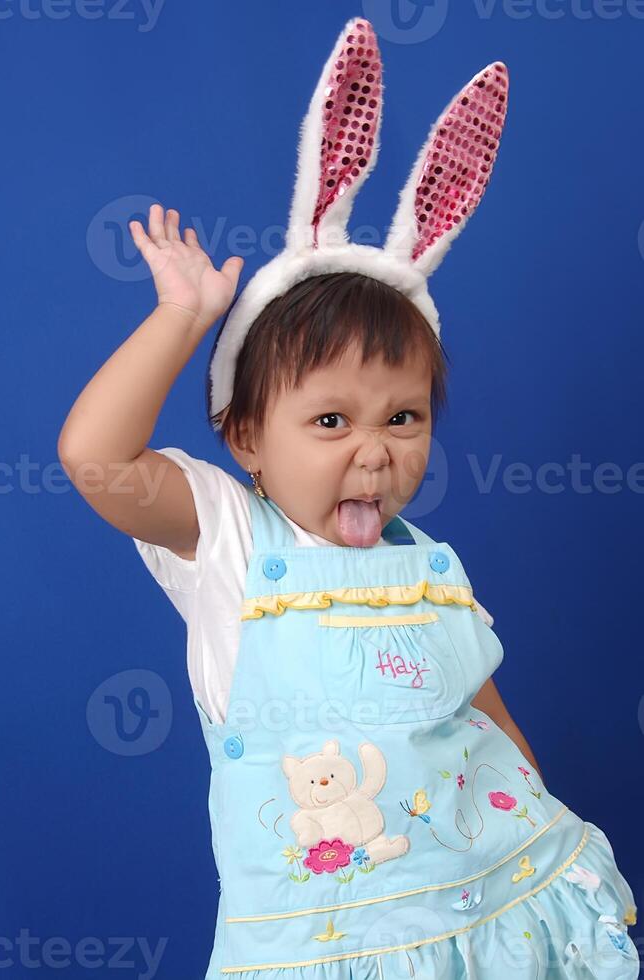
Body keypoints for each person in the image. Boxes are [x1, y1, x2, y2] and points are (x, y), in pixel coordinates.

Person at [58, 17, 639, 979]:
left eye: (403, 420)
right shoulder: (226, 534)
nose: (373, 450)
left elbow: (484, 712)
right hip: (320, 942)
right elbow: (93, 458)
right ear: (245, 435)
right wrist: (181, 317)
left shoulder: (427, 562)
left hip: (492, 911)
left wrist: (553, 850)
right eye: (330, 423)